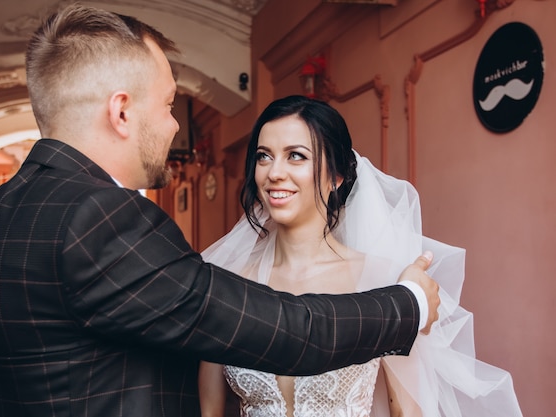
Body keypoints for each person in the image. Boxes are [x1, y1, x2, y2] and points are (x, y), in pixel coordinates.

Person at [0, 4, 441, 417]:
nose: (173, 127)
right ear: (121, 112)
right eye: (168, 104)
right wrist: (409, 303)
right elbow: (291, 333)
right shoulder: (100, 219)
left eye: (297, 156)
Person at [198, 95, 523, 417]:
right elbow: (208, 411)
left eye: (295, 156)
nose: (274, 173)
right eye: (264, 156)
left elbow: (406, 411)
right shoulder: (226, 282)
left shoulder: (386, 284)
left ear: (336, 178)